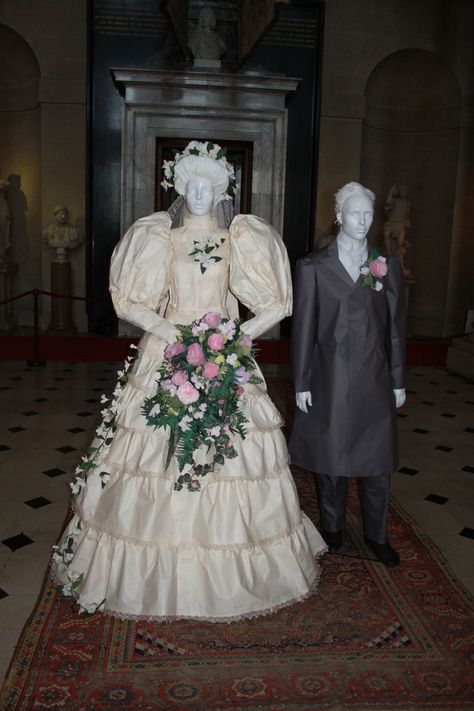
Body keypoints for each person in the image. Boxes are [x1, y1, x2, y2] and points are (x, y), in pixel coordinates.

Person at [51, 140, 326, 620]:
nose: (199, 194)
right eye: (191, 185)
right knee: (154, 451)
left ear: (220, 191)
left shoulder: (239, 236)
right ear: (179, 189)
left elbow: (277, 303)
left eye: (209, 186)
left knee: (234, 455)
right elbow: (129, 301)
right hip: (169, 347)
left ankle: (236, 572)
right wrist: (171, 332)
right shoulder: (159, 236)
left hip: (222, 350)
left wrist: (233, 334)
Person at [289, 182, 406, 567]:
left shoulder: (385, 264)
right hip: (330, 376)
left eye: (367, 213)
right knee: (331, 454)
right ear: (338, 216)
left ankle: (377, 535)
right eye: (354, 213)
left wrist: (398, 378)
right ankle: (332, 527)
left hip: (373, 377)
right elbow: (303, 328)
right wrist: (302, 382)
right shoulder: (312, 267)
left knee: (377, 460)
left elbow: (394, 328)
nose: (362, 220)